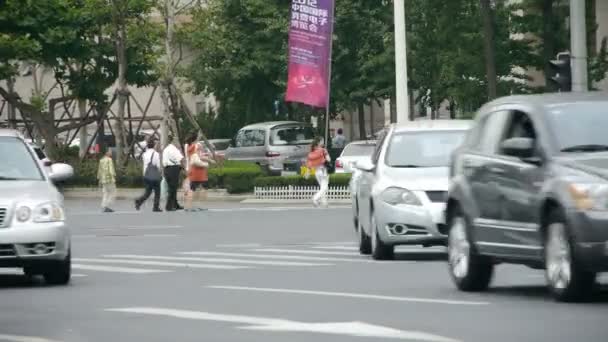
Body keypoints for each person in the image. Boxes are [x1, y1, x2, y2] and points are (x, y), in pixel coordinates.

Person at [184, 133, 215, 212]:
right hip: (199, 170)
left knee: (192, 189)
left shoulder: (188, 147)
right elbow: (200, 156)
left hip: (193, 170)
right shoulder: (194, 146)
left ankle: (188, 206)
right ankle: (200, 205)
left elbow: (198, 155)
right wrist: (209, 160)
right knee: (203, 188)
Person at [135, 140, 162, 212]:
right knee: (157, 191)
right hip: (154, 175)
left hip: (146, 175)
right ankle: (155, 207)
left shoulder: (144, 154)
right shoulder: (156, 154)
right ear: (153, 145)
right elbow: (158, 165)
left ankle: (139, 201)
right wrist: (160, 173)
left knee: (148, 192)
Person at [306, 137, 331, 208]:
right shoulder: (323, 150)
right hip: (323, 170)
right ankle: (315, 198)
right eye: (322, 141)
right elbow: (329, 159)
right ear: (319, 142)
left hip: (316, 172)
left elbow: (309, 164)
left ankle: (324, 202)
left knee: (322, 187)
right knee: (324, 188)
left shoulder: (311, 152)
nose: (323, 142)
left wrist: (307, 173)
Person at [162, 134, 184, 212]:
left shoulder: (166, 149)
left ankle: (175, 204)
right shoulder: (174, 149)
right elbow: (181, 159)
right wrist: (183, 168)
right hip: (173, 169)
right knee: (173, 189)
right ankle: (169, 206)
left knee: (171, 188)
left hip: (166, 169)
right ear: (173, 141)